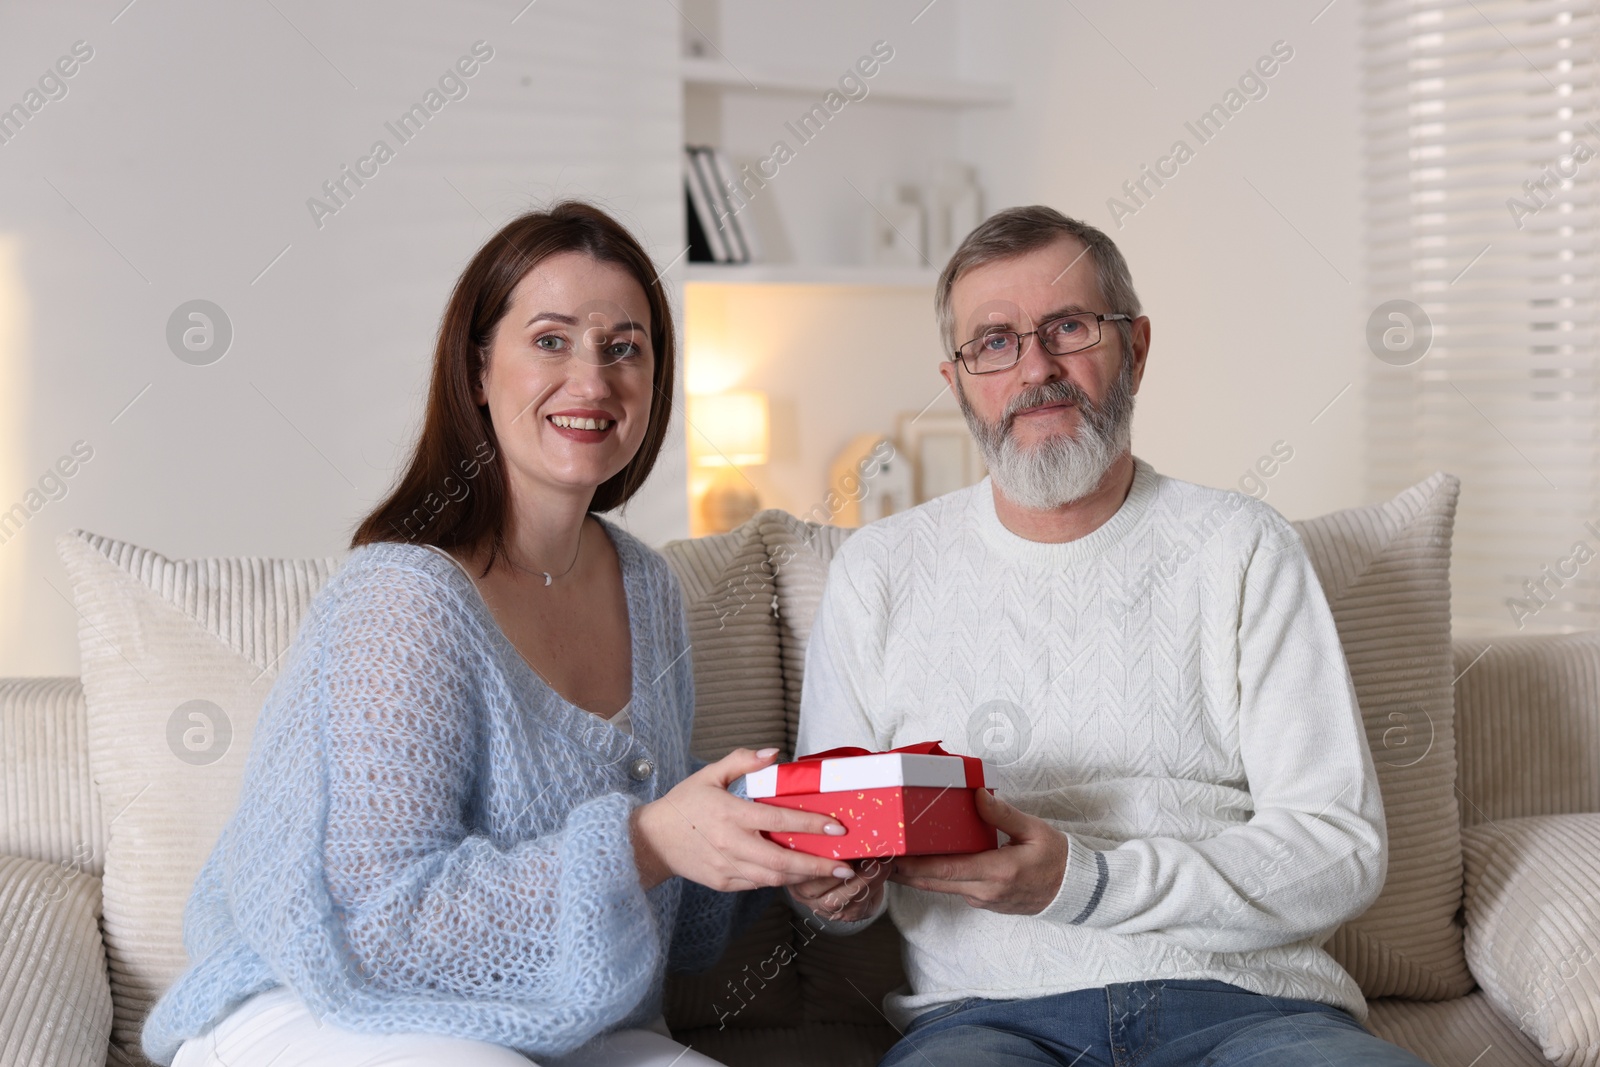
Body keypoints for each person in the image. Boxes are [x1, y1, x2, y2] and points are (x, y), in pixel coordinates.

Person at [141, 201, 857, 1067]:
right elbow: (384, 923)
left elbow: (675, 924)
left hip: (557, 1019)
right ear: (479, 369)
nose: (592, 382)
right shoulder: (403, 596)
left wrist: (791, 851)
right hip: (325, 999)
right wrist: (646, 841)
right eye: (550, 340)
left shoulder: (648, 588)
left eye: (624, 347)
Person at [785, 206, 1434, 1066]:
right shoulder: (879, 570)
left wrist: (1081, 880)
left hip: (1251, 1009)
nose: (1036, 368)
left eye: (1069, 327)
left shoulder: (1241, 545)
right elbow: (833, 858)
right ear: (957, 379)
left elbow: (1338, 849)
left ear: (1136, 346)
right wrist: (828, 887)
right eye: (995, 342)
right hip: (985, 1021)